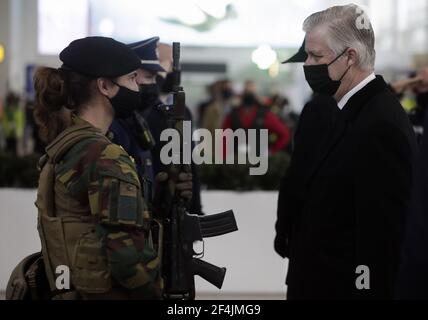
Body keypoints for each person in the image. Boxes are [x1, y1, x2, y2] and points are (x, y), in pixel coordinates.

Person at [32, 36, 192, 300]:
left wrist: (160, 195)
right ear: (105, 86)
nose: (137, 85)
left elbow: (93, 221)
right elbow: (126, 256)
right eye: (130, 78)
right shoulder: (103, 155)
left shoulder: (71, 143)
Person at [276, 5, 417, 299]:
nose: (307, 65)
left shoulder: (380, 124)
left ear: (349, 57)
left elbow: (383, 237)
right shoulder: (346, 110)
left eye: (316, 56)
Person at [222, 80, 291, 156]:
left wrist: (271, 151)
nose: (249, 93)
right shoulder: (233, 114)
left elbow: (284, 134)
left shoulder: (265, 114)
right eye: (247, 90)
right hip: (237, 160)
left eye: (251, 90)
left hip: (259, 159)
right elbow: (225, 138)